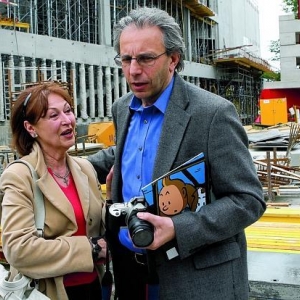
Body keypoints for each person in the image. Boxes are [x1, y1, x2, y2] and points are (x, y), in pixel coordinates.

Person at [88, 6, 266, 300]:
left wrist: (178, 227)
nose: (133, 70)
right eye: (126, 59)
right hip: (129, 271)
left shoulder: (212, 114)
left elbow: (248, 200)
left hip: (193, 277)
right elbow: (125, 153)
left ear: (173, 59)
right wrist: (62, 164)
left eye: (145, 58)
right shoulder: (123, 108)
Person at [0, 82, 107, 300]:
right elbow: (19, 249)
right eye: (53, 115)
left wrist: (114, 200)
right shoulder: (21, 175)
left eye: (68, 111)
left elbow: (97, 226)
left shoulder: (84, 168)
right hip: (48, 293)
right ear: (31, 128)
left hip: (93, 288)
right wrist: (90, 249)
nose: (67, 121)